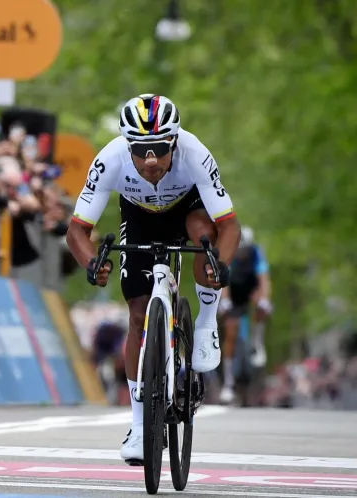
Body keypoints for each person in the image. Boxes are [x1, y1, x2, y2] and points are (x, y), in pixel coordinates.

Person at [65, 94, 241, 464]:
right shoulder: (109, 160)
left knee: (205, 237)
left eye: (160, 149)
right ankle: (139, 425)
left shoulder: (195, 154)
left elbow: (229, 225)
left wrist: (220, 265)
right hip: (139, 216)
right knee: (137, 314)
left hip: (188, 209)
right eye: (140, 150)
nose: (150, 160)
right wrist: (92, 263)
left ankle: (206, 323)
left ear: (174, 142)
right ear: (127, 146)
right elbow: (77, 230)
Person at [217, 225, 272, 403]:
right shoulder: (229, 252)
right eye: (239, 251)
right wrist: (225, 301)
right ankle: (228, 383)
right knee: (230, 333)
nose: (242, 254)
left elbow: (264, 280)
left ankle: (257, 340)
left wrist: (264, 300)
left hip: (250, 289)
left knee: (262, 305)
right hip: (232, 292)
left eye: (244, 251)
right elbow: (224, 282)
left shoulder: (257, 253)